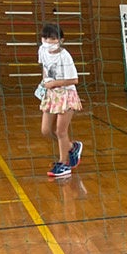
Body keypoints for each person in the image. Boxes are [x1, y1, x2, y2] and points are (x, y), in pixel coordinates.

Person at [38, 22, 83, 179]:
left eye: (52, 38)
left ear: (61, 40)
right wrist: (45, 85)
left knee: (60, 131)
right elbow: (45, 68)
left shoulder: (65, 56)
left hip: (66, 95)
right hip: (51, 94)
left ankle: (64, 163)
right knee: (45, 130)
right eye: (45, 38)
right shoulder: (42, 51)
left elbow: (74, 79)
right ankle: (72, 147)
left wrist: (55, 83)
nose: (48, 41)